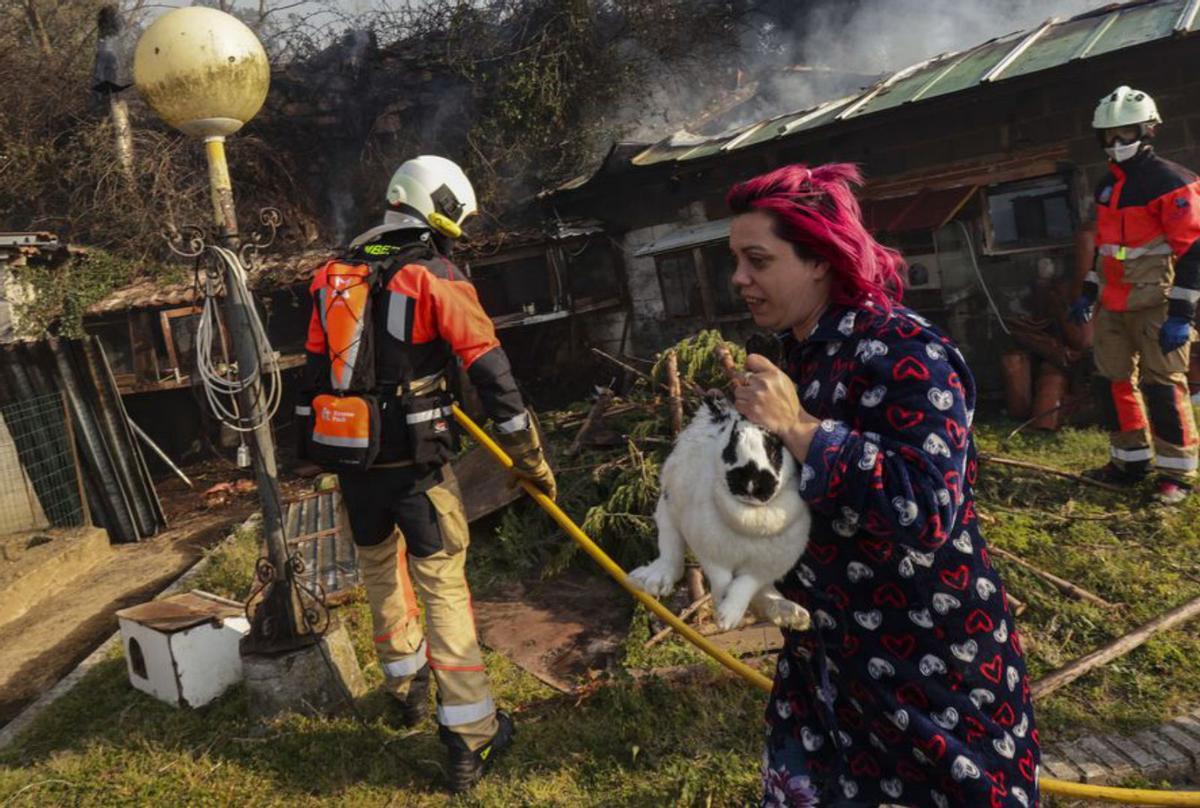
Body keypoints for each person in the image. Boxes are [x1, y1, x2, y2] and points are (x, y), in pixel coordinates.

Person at [726, 163, 1038, 808]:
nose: (739, 279)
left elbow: (928, 506)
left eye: (757, 259)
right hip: (827, 665)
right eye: (737, 260)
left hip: (927, 670)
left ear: (818, 260)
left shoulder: (902, 350)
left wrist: (799, 426)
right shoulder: (805, 353)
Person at [298, 155, 556, 792]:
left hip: (353, 466)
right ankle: (470, 735)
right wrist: (531, 462)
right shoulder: (434, 275)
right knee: (441, 586)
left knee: (379, 569)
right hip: (417, 471)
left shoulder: (333, 275)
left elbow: (310, 375)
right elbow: (494, 376)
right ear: (435, 207)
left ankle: (406, 688)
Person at [1068, 85, 1200, 504]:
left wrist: (1181, 313)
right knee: (1112, 383)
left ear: (1148, 130)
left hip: (1157, 304)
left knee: (1163, 386)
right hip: (1112, 305)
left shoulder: (1173, 182)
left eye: (1125, 133)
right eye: (1108, 136)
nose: (1116, 143)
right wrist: (1088, 292)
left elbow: (1195, 251)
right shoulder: (1108, 186)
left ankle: (1176, 474)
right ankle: (1130, 460)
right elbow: (1104, 249)